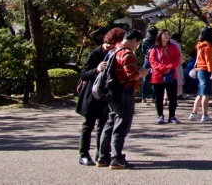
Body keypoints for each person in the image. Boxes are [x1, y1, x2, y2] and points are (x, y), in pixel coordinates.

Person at [98, 29, 149, 169]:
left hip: (112, 91)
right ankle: (117, 158)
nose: (137, 46)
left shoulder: (113, 51)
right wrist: (142, 73)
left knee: (109, 123)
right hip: (124, 92)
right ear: (133, 40)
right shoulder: (127, 54)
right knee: (121, 125)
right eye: (137, 43)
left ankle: (103, 156)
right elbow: (132, 75)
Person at [76, 27, 126, 166]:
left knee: (103, 126)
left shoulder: (115, 54)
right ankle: (84, 154)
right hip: (92, 94)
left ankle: (101, 154)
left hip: (105, 95)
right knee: (88, 125)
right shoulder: (95, 53)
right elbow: (83, 73)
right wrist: (97, 69)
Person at [148, 29, 181, 124]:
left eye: (168, 34)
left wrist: (170, 67)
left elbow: (177, 59)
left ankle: (172, 116)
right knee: (159, 97)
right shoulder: (154, 49)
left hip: (171, 75)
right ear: (160, 36)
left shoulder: (173, 47)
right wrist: (162, 68)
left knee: (172, 97)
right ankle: (160, 115)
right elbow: (152, 61)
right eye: (165, 34)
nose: (167, 36)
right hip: (158, 75)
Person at [188, 26, 212, 122]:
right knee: (205, 93)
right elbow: (209, 60)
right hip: (206, 70)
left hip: (200, 69)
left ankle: (194, 113)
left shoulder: (199, 45)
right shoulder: (208, 46)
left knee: (200, 93)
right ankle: (205, 115)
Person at [171, 32, 186, 99]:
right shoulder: (176, 45)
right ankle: (176, 96)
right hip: (176, 65)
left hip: (167, 65)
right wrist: (183, 62)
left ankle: (165, 99)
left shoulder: (166, 43)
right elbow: (179, 56)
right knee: (177, 81)